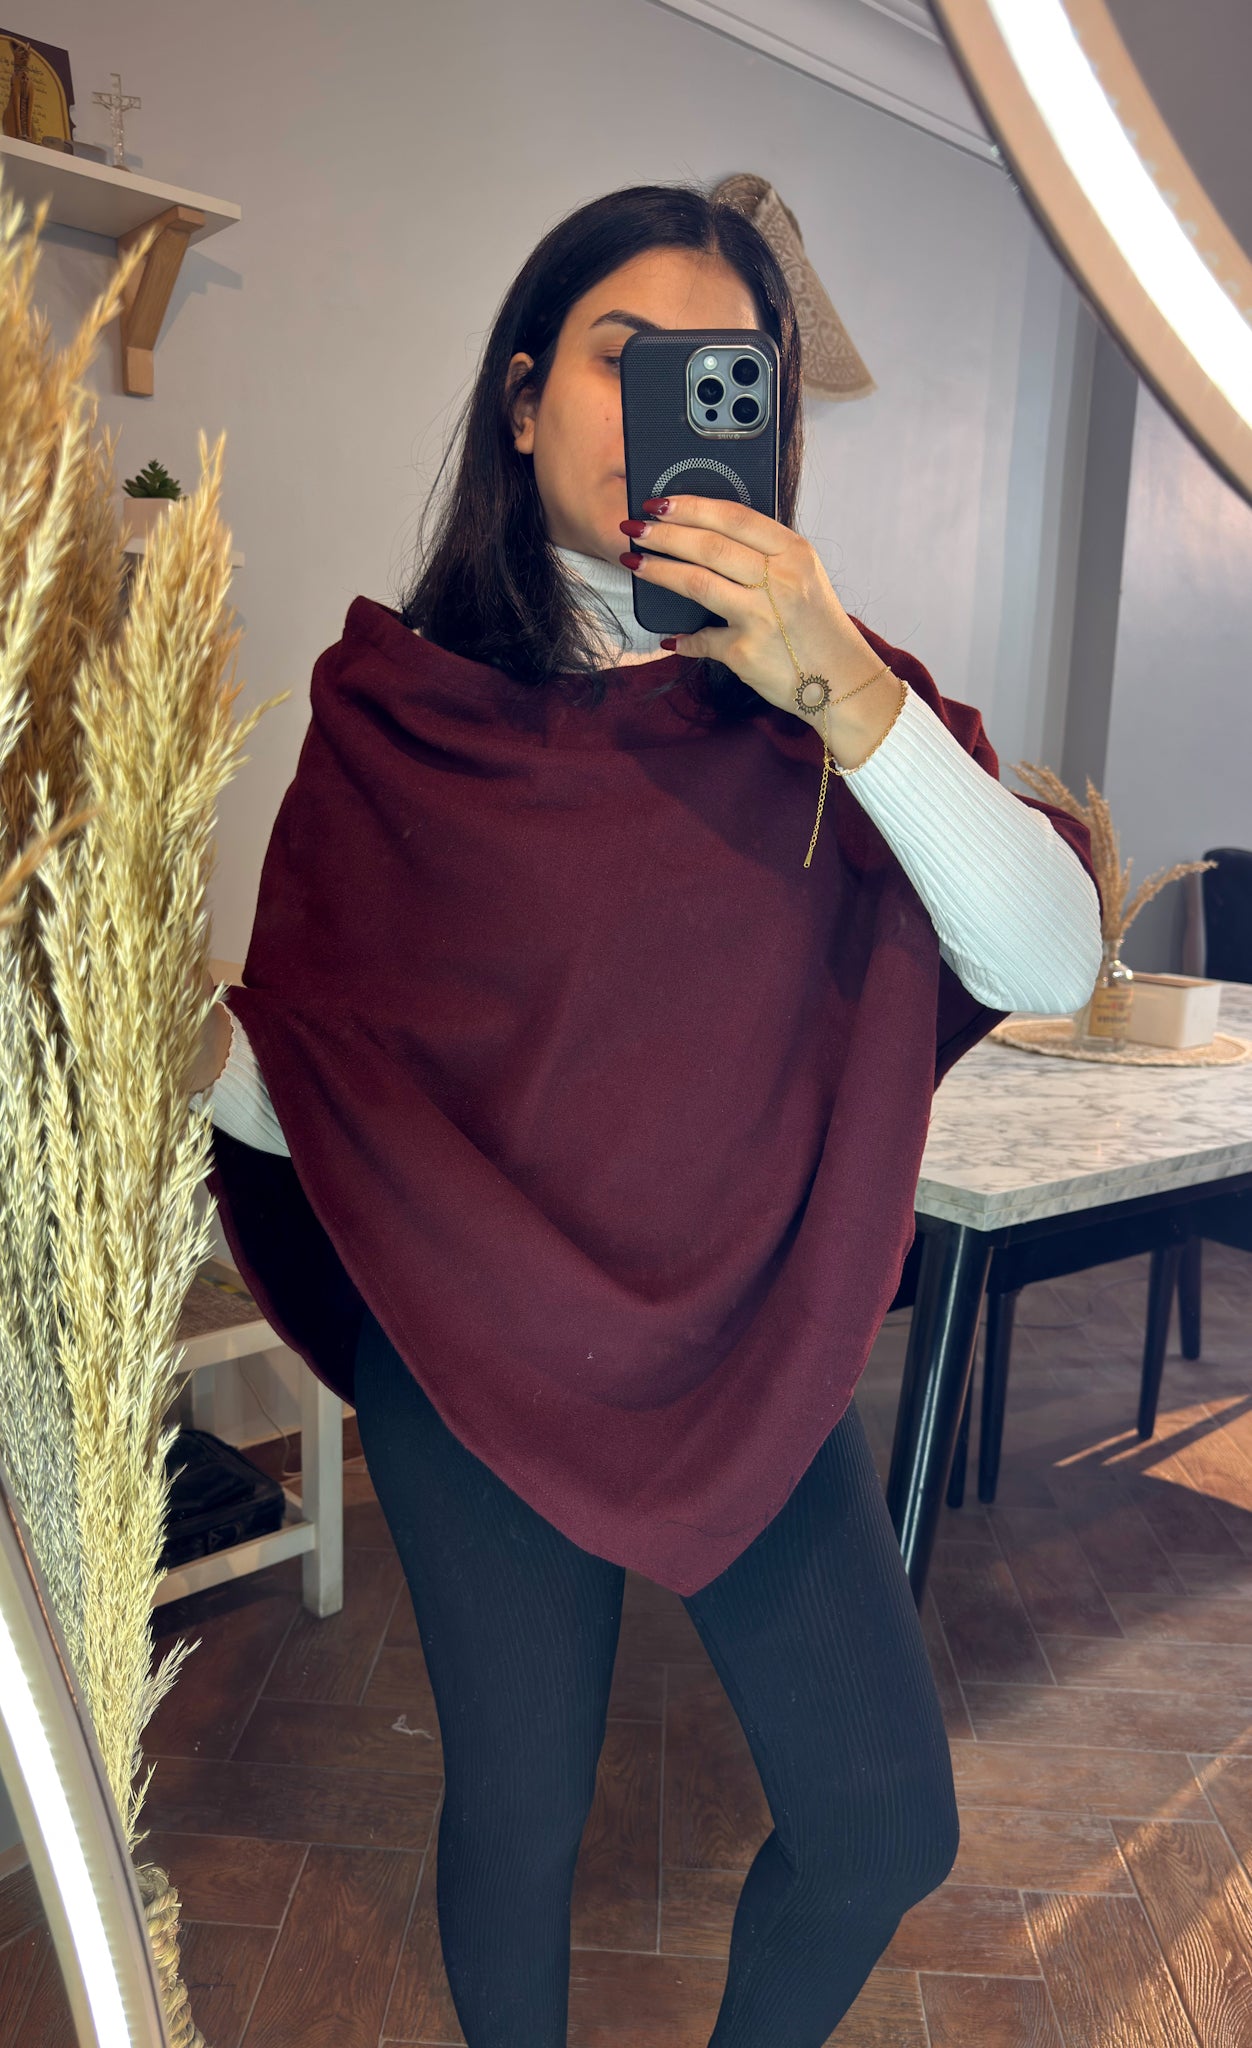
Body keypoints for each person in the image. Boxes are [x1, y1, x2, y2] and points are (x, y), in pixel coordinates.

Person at [188, 183, 1103, 2047]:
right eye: (626, 357)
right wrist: (144, 1018)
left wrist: (841, 685)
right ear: (524, 399)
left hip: (744, 1343)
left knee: (883, 1827)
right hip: (469, 1343)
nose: (672, 403)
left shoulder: (823, 710)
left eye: (728, 373)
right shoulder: (395, 717)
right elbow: (314, 1091)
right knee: (518, 1821)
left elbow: (1049, 953)